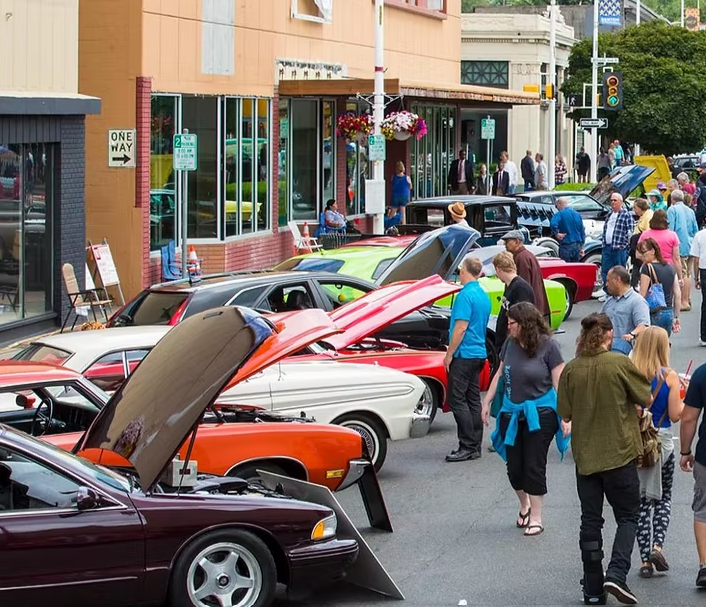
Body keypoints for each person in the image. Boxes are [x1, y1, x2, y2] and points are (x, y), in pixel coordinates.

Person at [557, 313, 653, 606]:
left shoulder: (571, 370)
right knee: (628, 516)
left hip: (586, 456)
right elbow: (645, 396)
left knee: (590, 520)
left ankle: (593, 587)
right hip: (619, 452)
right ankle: (617, 573)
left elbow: (565, 412)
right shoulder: (619, 363)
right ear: (609, 335)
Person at [481, 302, 570, 537]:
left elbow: (560, 383)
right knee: (514, 469)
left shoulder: (549, 346)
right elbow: (500, 374)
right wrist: (487, 401)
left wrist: (567, 416)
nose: (507, 327)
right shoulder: (510, 344)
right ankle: (525, 505)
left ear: (525, 324)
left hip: (541, 412)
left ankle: (537, 517)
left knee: (533, 464)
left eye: (511, 323)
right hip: (511, 411)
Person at [631, 327, 683, 579]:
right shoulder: (669, 377)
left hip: (637, 442)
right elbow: (675, 415)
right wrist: (682, 398)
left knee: (641, 502)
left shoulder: (631, 373)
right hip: (662, 441)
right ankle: (657, 547)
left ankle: (644, 561)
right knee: (663, 498)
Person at [443, 255, 491, 462]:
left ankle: (467, 445)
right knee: (473, 400)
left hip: (464, 353)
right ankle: (475, 445)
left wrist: (449, 354)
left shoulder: (465, 295)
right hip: (479, 352)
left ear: (464, 271)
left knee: (457, 399)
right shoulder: (483, 294)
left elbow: (461, 328)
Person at [680, 362, 706, 587]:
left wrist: (685, 451)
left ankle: (705, 565)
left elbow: (688, 417)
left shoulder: (702, 373)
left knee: (703, 509)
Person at [502, 230, 550, 320]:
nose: (505, 245)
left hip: (529, 309)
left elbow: (523, 287)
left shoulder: (521, 258)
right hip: (535, 305)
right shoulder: (527, 255)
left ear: (517, 241)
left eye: (508, 242)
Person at [601, 265, 650, 355]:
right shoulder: (608, 302)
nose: (606, 284)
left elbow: (644, 326)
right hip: (605, 349)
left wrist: (632, 334)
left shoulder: (637, 302)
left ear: (617, 280)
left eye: (608, 280)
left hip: (625, 351)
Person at [637, 238, 681, 336]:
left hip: (654, 312)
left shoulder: (646, 268)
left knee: (651, 343)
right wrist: (676, 316)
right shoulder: (670, 268)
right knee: (664, 343)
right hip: (668, 312)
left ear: (653, 251)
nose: (642, 256)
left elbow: (642, 295)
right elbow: (678, 294)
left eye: (643, 252)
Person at [492, 252, 535, 350]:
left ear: (498, 269)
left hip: (514, 345)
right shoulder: (509, 286)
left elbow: (524, 320)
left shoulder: (521, 288)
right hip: (505, 344)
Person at [667, 189, 698, 311]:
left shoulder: (672, 210)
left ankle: (683, 301)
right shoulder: (690, 211)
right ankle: (687, 298)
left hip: (679, 246)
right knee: (688, 273)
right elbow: (695, 229)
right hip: (690, 244)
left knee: (682, 273)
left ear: (672, 199)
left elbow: (670, 229)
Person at [600, 193, 634, 300]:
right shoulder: (609, 215)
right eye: (611, 200)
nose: (612, 202)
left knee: (619, 272)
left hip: (619, 248)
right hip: (607, 247)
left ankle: (619, 293)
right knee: (605, 270)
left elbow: (630, 232)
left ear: (621, 202)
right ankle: (608, 292)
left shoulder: (626, 215)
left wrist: (625, 245)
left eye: (615, 200)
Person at [638, 210, 682, 275]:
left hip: (649, 268)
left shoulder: (645, 235)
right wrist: (680, 276)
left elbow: (638, 254)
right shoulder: (673, 235)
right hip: (668, 268)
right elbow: (676, 258)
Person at [550, 197, 585, 262]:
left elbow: (553, 224)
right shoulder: (577, 214)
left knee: (565, 266)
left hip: (566, 245)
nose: (557, 208)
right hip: (577, 246)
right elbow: (582, 231)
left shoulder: (559, 214)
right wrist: (582, 247)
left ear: (559, 204)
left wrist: (557, 233)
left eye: (556, 206)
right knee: (575, 266)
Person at [630, 198, 653, 288]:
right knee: (636, 268)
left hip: (642, 248)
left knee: (638, 269)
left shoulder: (648, 216)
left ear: (640, 208)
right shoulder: (643, 215)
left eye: (635, 208)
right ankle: (634, 285)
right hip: (637, 246)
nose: (634, 210)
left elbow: (648, 234)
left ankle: (635, 286)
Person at [690, 224, 706, 346]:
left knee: (705, 303)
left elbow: (696, 260)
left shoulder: (699, 235)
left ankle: (704, 336)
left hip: (704, 269)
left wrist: (696, 278)